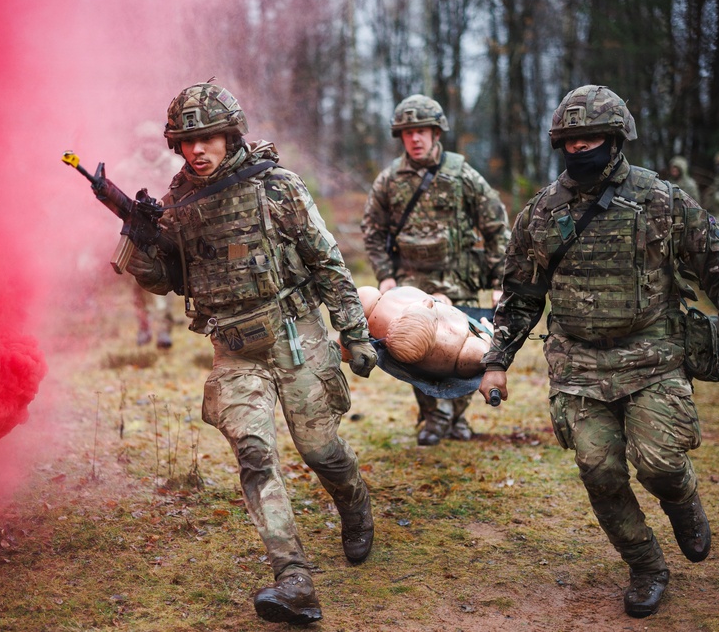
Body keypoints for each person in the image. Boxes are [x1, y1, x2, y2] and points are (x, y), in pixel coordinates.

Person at [478, 85, 719, 618]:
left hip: (653, 357)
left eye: (592, 138)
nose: (581, 148)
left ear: (615, 139)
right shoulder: (541, 212)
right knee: (599, 471)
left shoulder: (660, 200)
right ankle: (646, 566)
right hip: (578, 365)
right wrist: (496, 362)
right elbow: (520, 297)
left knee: (657, 464)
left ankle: (681, 499)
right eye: (571, 139)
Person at [123, 81, 378, 625]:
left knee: (319, 448)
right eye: (186, 141)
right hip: (233, 348)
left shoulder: (276, 186)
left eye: (208, 137)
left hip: (295, 334)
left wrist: (354, 332)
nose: (197, 150)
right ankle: (294, 579)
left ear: (229, 134)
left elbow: (328, 262)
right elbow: (167, 281)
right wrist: (140, 244)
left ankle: (353, 502)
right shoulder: (177, 206)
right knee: (255, 456)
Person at [361, 94, 510, 445]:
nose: (415, 138)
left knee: (464, 354)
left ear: (436, 133)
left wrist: (498, 279)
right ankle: (433, 417)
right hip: (410, 289)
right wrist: (385, 274)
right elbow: (373, 230)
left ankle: (456, 418)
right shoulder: (389, 180)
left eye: (422, 131)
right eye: (407, 132)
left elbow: (495, 226)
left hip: (458, 282)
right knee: (415, 357)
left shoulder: (462, 175)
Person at [113, 121, 180, 348]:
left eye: (153, 140)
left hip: (166, 228)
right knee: (138, 281)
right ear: (139, 143)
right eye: (145, 141)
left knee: (164, 277)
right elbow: (117, 198)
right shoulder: (127, 168)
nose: (149, 146)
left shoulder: (174, 165)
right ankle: (144, 326)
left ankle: (164, 329)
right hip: (136, 231)